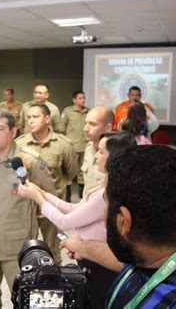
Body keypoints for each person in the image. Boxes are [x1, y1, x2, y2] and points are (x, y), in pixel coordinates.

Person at [60, 145, 176, 308]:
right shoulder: (170, 247)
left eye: (106, 204)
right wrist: (84, 247)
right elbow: (134, 264)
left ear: (124, 221)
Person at [18, 131, 137, 309]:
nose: (96, 155)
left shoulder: (107, 194)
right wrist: (43, 194)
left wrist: (38, 198)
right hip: (91, 258)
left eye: (101, 151)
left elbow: (65, 221)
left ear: (115, 157)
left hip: (101, 264)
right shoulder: (105, 185)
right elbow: (75, 210)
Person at [0, 110, 51, 309]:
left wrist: (50, 250)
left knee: (26, 300)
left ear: (14, 131)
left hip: (19, 248)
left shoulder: (30, 160)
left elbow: (48, 202)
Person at [16, 103, 78, 264]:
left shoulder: (62, 144)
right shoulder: (19, 144)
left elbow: (70, 172)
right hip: (27, 207)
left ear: (47, 119)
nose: (30, 121)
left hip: (52, 206)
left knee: (54, 249)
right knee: (26, 248)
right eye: (28, 117)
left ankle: (54, 280)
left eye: (35, 117)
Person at [58, 90, 90, 199]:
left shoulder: (88, 111)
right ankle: (68, 193)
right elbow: (61, 128)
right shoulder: (67, 111)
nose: (83, 100)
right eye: (80, 98)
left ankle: (82, 192)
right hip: (72, 146)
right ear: (74, 100)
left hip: (85, 145)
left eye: (84, 98)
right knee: (70, 169)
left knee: (83, 169)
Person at [82, 106, 114, 195]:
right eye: (86, 123)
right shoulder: (89, 148)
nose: (85, 129)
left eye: (92, 124)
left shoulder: (115, 154)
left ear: (108, 127)